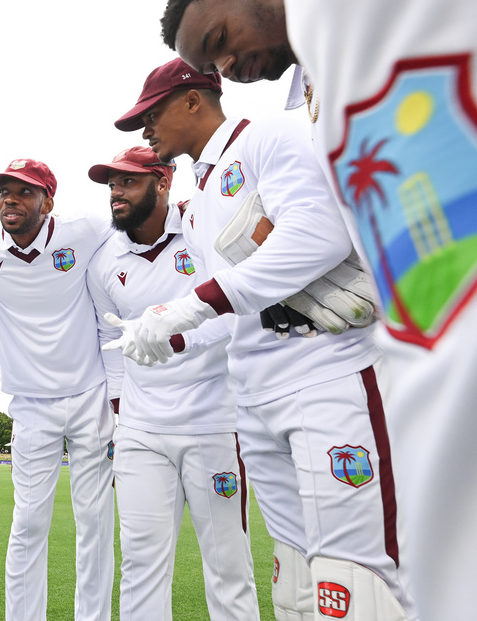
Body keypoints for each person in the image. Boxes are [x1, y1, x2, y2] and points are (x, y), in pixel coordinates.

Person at [160, 0, 477, 618]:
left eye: (219, 42)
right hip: (387, 335)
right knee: (304, 580)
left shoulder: (378, 10)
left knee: (375, 571)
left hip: (406, 337)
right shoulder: (296, 97)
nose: (225, 69)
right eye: (211, 64)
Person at [104, 58, 417, 619]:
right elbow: (229, 313)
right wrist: (168, 337)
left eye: (151, 114)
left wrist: (189, 306)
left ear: (194, 100)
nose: (145, 130)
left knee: (356, 572)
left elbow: (317, 235)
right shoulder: (196, 207)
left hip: (327, 372)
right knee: (294, 576)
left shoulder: (272, 135)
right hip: (253, 391)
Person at [86, 146, 258, 620]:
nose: (116, 194)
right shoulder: (104, 261)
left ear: (163, 182)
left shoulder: (202, 231)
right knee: (141, 563)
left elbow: (236, 309)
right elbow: (110, 343)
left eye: (128, 183)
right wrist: (122, 416)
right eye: (112, 185)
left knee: (227, 564)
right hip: (142, 433)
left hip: (212, 424)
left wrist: (176, 339)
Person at [0, 160, 115, 621]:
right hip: (30, 404)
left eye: (24, 192)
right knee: (27, 524)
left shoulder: (85, 230)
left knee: (94, 524)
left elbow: (138, 222)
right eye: (4, 191)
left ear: (48, 201)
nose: (10, 200)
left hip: (90, 397)